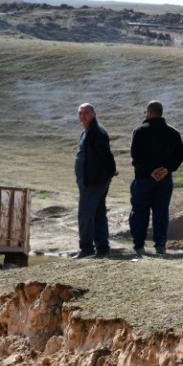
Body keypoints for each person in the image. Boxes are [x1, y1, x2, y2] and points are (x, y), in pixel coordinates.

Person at [129, 100, 183, 255]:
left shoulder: (140, 131)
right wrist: (166, 169)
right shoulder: (173, 133)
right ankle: (160, 245)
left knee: (140, 211)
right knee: (161, 212)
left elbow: (135, 155)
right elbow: (180, 155)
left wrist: (150, 171)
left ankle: (138, 244)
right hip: (165, 180)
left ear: (149, 112)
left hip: (143, 179)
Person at [73, 103, 119, 259]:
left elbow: (106, 154)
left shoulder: (96, 132)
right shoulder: (88, 131)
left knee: (85, 214)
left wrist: (111, 169)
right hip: (91, 180)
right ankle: (103, 249)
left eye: (86, 113)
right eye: (80, 113)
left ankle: (86, 249)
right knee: (99, 213)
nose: (83, 116)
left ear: (94, 114)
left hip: (93, 181)